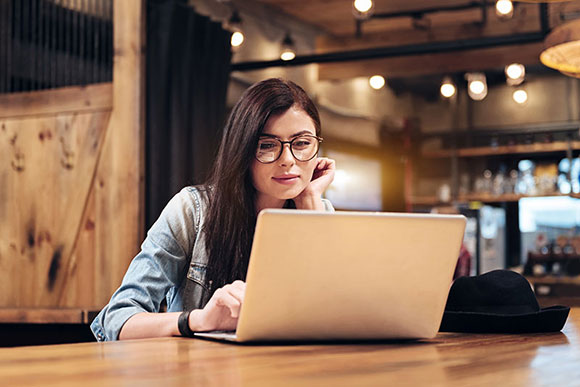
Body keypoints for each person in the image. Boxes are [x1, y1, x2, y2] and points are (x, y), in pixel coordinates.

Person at [91, 78, 336, 341]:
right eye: (267, 145)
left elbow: (334, 317)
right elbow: (116, 320)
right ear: (242, 150)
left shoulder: (318, 210)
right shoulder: (192, 210)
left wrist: (311, 205)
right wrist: (199, 320)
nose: (288, 160)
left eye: (301, 143)